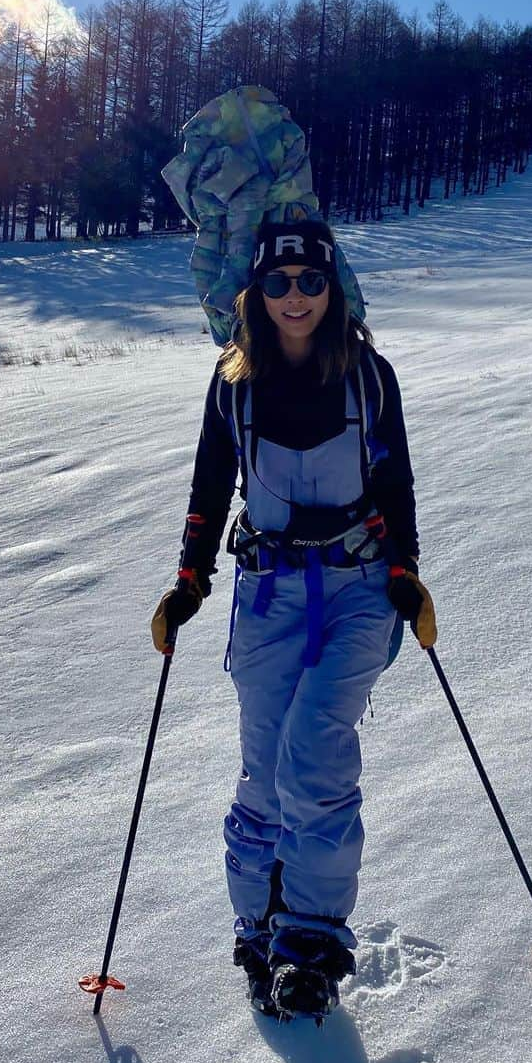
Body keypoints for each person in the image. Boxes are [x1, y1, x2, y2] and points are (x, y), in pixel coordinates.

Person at [151, 219, 436, 1022]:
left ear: (333, 285)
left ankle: (310, 941)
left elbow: (396, 484)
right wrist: (188, 582)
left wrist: (407, 574)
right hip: (268, 593)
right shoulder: (233, 382)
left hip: (356, 587)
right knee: (262, 770)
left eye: (311, 280)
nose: (296, 297)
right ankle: (259, 928)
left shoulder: (368, 377)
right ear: (255, 294)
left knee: (312, 749)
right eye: (278, 284)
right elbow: (211, 488)